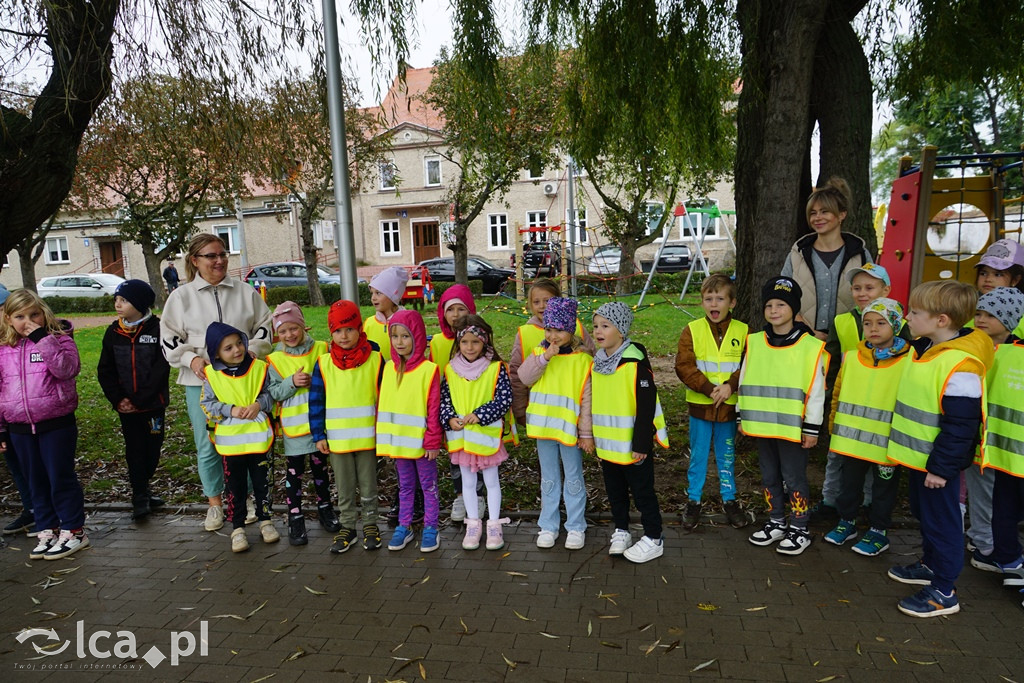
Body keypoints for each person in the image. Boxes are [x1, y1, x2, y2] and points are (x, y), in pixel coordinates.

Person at [886, 280, 993, 617]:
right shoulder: (926, 348)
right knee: (925, 516)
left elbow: (961, 426)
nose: (908, 317)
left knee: (942, 523)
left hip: (936, 468)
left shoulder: (960, 366)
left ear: (941, 320)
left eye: (915, 312)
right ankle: (931, 566)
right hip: (920, 461)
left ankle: (944, 590)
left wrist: (941, 468)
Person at [161, 234, 273, 532]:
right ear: (195, 261)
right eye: (211, 256)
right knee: (207, 444)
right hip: (201, 383)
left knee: (246, 440)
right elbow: (169, 339)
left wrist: (252, 351)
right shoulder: (180, 297)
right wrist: (192, 360)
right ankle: (215, 504)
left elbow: (265, 326)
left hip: (244, 381)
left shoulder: (245, 292)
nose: (220, 260)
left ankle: (246, 499)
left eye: (223, 254)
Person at [739, 277, 828, 556]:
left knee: (794, 478)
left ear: (794, 309)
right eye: (769, 305)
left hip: (794, 428)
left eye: (781, 304)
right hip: (763, 426)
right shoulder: (754, 342)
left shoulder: (810, 346)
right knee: (769, 476)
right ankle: (776, 521)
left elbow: (816, 391)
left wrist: (812, 429)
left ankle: (799, 527)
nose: (774, 310)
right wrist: (742, 416)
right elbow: (744, 380)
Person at [0, 289, 88, 560]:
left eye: (34, 314)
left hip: (55, 422)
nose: (28, 320)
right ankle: (47, 528)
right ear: (8, 318)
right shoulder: (4, 348)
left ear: (44, 312)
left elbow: (67, 369)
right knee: (34, 480)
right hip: (19, 426)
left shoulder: (59, 339)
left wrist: (41, 338)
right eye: (20, 316)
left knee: (59, 476)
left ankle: (74, 530)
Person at [819, 263, 910, 519]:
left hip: (881, 407)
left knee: (873, 461)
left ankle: (870, 505)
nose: (862, 293)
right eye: (856, 287)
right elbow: (833, 362)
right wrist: (830, 400)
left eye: (870, 287)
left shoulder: (899, 323)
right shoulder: (842, 321)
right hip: (849, 405)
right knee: (838, 458)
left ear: (886, 289)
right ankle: (831, 501)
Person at [591, 302, 668, 563]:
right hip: (609, 446)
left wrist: (642, 444)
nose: (598, 331)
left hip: (633, 447)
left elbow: (646, 407)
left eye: (605, 326)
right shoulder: (598, 362)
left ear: (621, 331)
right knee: (615, 492)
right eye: (595, 326)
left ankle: (654, 537)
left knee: (643, 491)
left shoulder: (635, 363)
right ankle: (621, 530)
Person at [963, 240, 1024, 569]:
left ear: (1015, 279)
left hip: (1009, 435)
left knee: (1002, 493)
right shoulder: (975, 318)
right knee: (982, 487)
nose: (987, 279)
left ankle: (995, 545)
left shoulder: (1017, 322)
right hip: (980, 427)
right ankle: (985, 539)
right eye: (984, 272)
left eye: (998, 274)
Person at [310, 300, 386, 553]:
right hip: (338, 441)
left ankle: (371, 524)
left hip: (368, 437)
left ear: (359, 329)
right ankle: (348, 526)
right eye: (338, 331)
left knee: (368, 484)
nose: (344, 336)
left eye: (350, 329)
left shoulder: (376, 359)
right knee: (343, 486)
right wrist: (318, 434)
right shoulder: (323, 363)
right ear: (331, 332)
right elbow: (317, 401)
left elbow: (385, 398)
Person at [519, 297, 594, 550]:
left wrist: (585, 434)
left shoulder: (582, 360)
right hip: (544, 429)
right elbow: (524, 377)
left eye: (559, 330)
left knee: (573, 478)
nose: (553, 335)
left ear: (570, 330)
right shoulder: (540, 354)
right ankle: (548, 525)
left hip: (568, 430)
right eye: (549, 329)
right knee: (549, 478)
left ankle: (575, 526)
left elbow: (586, 399)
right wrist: (545, 357)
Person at [675, 273, 748, 530]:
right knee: (698, 456)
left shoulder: (743, 331)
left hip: (728, 408)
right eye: (708, 299)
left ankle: (730, 500)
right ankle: (693, 501)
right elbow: (684, 366)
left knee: (726, 456)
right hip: (700, 408)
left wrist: (730, 386)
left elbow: (748, 365)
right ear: (702, 302)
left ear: (733, 303)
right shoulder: (692, 330)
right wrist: (709, 389)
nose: (714, 304)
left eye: (720, 299)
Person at [200, 322, 281, 553]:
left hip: (259, 440)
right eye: (228, 348)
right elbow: (207, 404)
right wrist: (230, 410)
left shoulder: (259, 368)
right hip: (231, 445)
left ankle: (266, 521)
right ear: (216, 353)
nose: (237, 350)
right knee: (234, 487)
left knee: (262, 483)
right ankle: (237, 529)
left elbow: (270, 395)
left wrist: (258, 405)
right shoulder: (211, 375)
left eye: (238, 343)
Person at [265, 301, 338, 546]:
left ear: (303, 326)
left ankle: (325, 507)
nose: (289, 335)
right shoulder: (274, 359)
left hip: (320, 427)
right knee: (294, 474)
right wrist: (292, 382)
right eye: (283, 331)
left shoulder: (322, 348)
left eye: (293, 328)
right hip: (294, 430)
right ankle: (295, 515)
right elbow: (273, 393)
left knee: (321, 471)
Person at [96, 279, 170, 520]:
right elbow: (105, 370)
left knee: (153, 448)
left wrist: (140, 398)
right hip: (127, 409)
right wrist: (119, 400)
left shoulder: (158, 329)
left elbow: (161, 369)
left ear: (139, 303)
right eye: (116, 299)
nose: (118, 304)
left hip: (153, 406)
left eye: (124, 300)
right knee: (134, 450)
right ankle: (139, 495)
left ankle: (144, 487)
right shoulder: (113, 333)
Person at [441, 315, 514, 550]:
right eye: (464, 342)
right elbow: (445, 400)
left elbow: (504, 399)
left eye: (475, 342)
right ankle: (473, 524)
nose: (469, 347)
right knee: (467, 483)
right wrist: (448, 418)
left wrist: (481, 414)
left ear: (484, 342)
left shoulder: (495, 369)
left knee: (492, 481)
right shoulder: (450, 370)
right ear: (458, 342)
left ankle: (494, 524)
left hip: (486, 438)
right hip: (461, 438)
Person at [378, 310, 442, 553]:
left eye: (405, 336)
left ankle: (431, 527)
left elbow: (433, 407)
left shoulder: (429, 370)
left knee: (428, 486)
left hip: (423, 445)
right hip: (399, 444)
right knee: (405, 486)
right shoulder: (387, 368)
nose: (399, 342)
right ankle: (404, 526)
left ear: (417, 336)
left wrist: (433, 441)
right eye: (394, 337)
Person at [781, 177, 872, 341]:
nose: (818, 217)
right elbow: (783, 297)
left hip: (850, 342)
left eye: (825, 211)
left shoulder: (861, 255)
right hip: (804, 341)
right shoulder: (797, 255)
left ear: (841, 215)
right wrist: (807, 330)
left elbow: (874, 297)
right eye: (813, 213)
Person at [978, 288, 1024, 605]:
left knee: (1005, 512)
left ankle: (1011, 562)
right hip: (1006, 457)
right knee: (1003, 513)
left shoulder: (1007, 353)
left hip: (1009, 455)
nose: (980, 319)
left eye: (989, 315)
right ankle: (1010, 562)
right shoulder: (987, 351)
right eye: (979, 313)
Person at [428, 284, 483, 523]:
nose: (456, 315)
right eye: (450, 309)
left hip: (474, 406)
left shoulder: (478, 337)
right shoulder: (438, 342)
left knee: (478, 451)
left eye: (461, 309)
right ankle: (461, 494)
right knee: (456, 453)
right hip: (449, 408)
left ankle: (479, 495)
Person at [509, 278, 594, 427]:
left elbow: (592, 359)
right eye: (536, 302)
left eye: (547, 301)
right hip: (542, 412)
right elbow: (517, 374)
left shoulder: (577, 328)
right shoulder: (524, 333)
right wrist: (520, 409)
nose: (542, 306)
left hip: (572, 407)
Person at [0, 282, 36, 537]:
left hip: (26, 416)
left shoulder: (16, 343)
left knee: (31, 465)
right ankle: (32, 509)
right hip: (7, 417)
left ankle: (40, 512)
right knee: (15, 463)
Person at [365, 266, 408, 360]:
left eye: (378, 293)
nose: (373, 298)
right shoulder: (368, 323)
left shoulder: (407, 323)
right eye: (372, 293)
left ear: (393, 296)